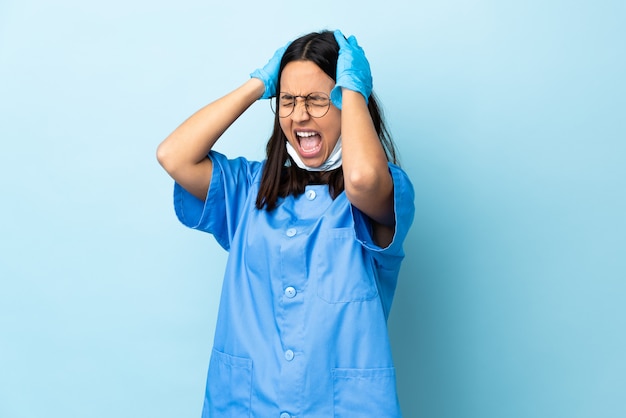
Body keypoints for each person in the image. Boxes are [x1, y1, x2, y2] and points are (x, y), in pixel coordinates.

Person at [157, 29, 415, 418]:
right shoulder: (249, 189)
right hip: (246, 405)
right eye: (288, 100)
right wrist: (258, 84)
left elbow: (360, 179)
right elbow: (173, 155)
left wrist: (355, 91)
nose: (299, 115)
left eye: (317, 100)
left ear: (348, 104)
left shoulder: (383, 192)